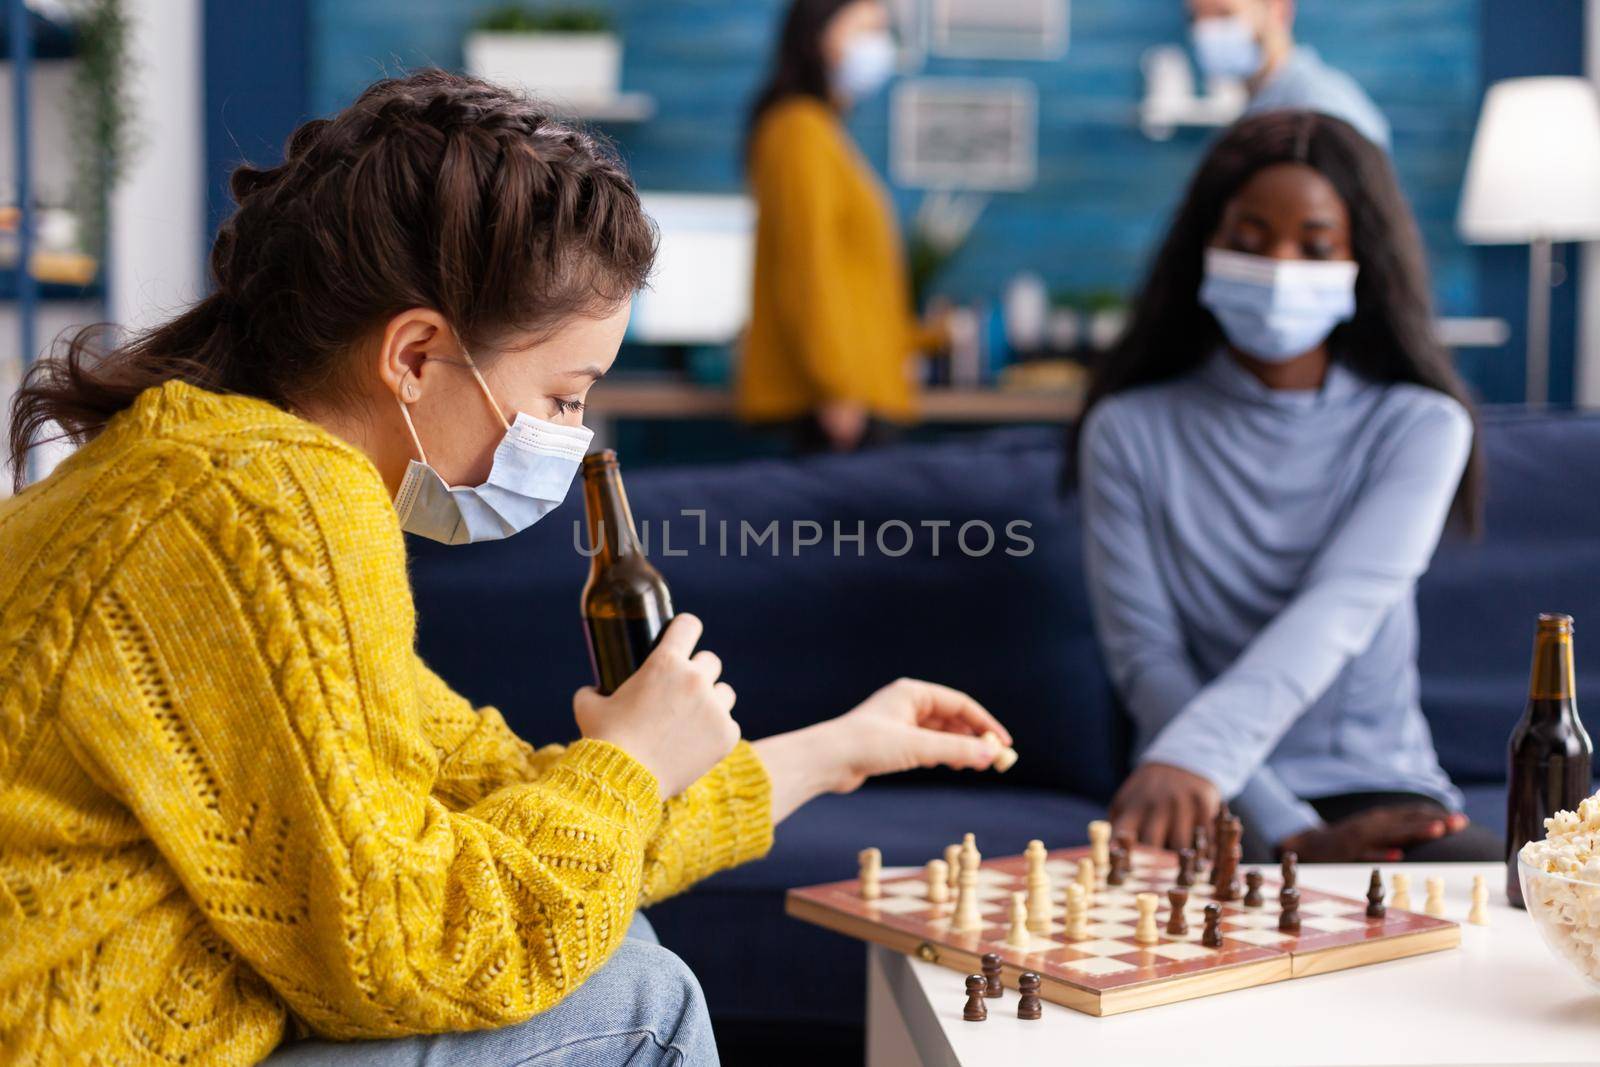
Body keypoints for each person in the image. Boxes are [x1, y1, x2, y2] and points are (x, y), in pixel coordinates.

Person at [0, 71, 1014, 1066]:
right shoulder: (268, 503)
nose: (574, 437)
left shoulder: (205, 468)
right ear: (413, 355)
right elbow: (405, 945)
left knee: (615, 934)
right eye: (566, 397)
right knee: (641, 998)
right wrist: (629, 764)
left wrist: (834, 749)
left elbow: (488, 793)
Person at [1074, 109, 1502, 865]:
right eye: (1248, 237)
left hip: (1378, 788)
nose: (1278, 265)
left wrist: (1285, 812)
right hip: (1199, 794)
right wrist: (1287, 829)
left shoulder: (1420, 427)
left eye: (1314, 245)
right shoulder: (1127, 430)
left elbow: (1341, 608)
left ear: (1361, 261)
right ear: (1204, 247)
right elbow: (1147, 661)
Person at [738, 0, 947, 454]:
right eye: (866, 29)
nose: (878, 46)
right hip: (834, 401)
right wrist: (835, 385)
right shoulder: (799, 131)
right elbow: (808, 269)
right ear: (818, 34)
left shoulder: (820, 131)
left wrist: (927, 336)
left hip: (847, 390)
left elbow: (855, 285)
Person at [1188, 0, 1392, 150]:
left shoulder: (1320, 108)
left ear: (1278, 10)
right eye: (1194, 17)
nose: (1205, 30)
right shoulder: (1263, 107)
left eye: (1225, 14)